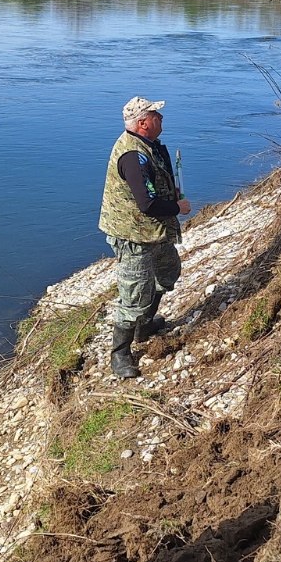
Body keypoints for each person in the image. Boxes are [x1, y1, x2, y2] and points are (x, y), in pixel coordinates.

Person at [99, 95, 190, 379]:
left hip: (154, 231)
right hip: (133, 236)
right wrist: (178, 207)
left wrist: (171, 194)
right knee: (135, 296)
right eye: (155, 115)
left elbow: (155, 188)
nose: (160, 118)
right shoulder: (131, 156)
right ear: (142, 123)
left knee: (168, 273)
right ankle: (120, 354)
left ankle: (144, 325)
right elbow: (147, 204)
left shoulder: (149, 146)